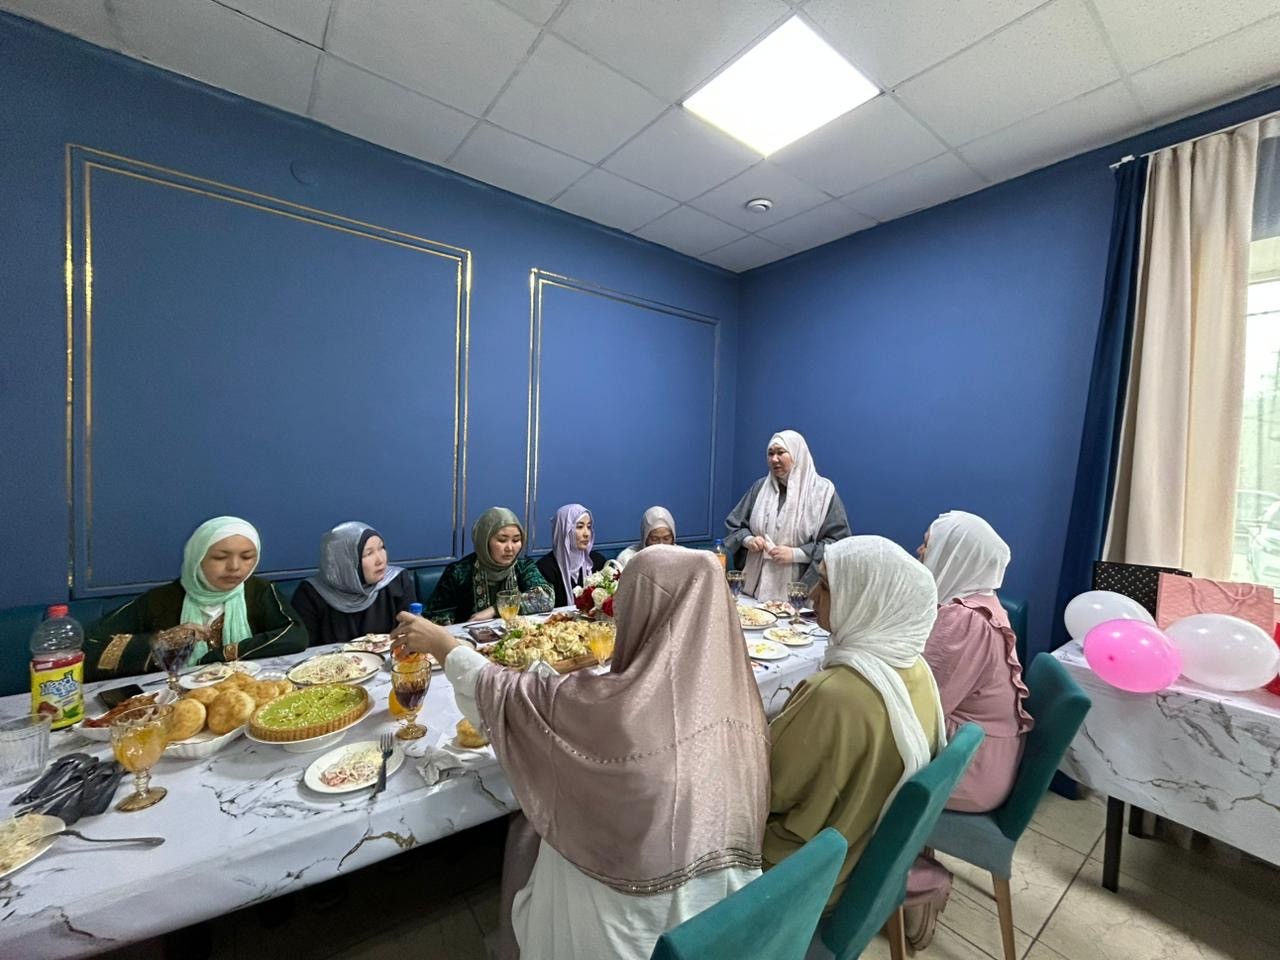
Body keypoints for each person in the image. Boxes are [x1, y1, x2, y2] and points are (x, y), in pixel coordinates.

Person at [390, 546, 770, 960]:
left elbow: (521, 702)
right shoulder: (738, 701)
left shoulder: (621, 710)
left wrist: (445, 646)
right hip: (719, 917)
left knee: (530, 832)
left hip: (623, 915)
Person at [763, 536, 945, 912]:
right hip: (864, 856)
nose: (812, 595)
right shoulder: (917, 670)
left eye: (826, 586)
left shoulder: (835, 694)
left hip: (800, 872)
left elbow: (765, 790)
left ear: (869, 601)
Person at [84, 516, 308, 680]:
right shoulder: (160, 600)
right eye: (220, 557)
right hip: (174, 701)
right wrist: (163, 641)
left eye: (247, 557)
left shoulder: (258, 590)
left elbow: (295, 635)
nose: (235, 567)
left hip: (243, 693)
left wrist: (224, 654)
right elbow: (89, 648)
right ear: (197, 557)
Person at [918, 511, 1032, 813]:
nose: (919, 551)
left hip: (968, 768)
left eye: (928, 544)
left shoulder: (966, 620)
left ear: (954, 556)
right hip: (978, 752)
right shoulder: (980, 603)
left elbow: (923, 702)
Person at [724, 430, 850, 600]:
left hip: (799, 596)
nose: (774, 459)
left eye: (781, 452)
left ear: (797, 454)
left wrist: (797, 554)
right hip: (754, 589)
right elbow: (734, 525)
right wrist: (748, 540)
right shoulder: (760, 488)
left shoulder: (823, 493)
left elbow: (838, 544)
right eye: (770, 453)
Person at [290, 522, 418, 646]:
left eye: (381, 548)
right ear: (345, 562)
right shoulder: (311, 593)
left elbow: (412, 634)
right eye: (368, 553)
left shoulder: (397, 580)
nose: (380, 560)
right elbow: (305, 649)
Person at [424, 507, 553, 624]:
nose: (510, 548)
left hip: (517, 639)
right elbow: (435, 618)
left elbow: (546, 598)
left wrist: (495, 610)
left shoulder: (523, 567)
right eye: (502, 540)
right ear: (484, 540)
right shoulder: (459, 572)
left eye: (516, 540)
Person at [535, 504, 607, 608]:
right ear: (564, 530)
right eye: (580, 527)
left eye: (589, 527)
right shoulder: (545, 568)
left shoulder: (597, 562)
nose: (587, 534)